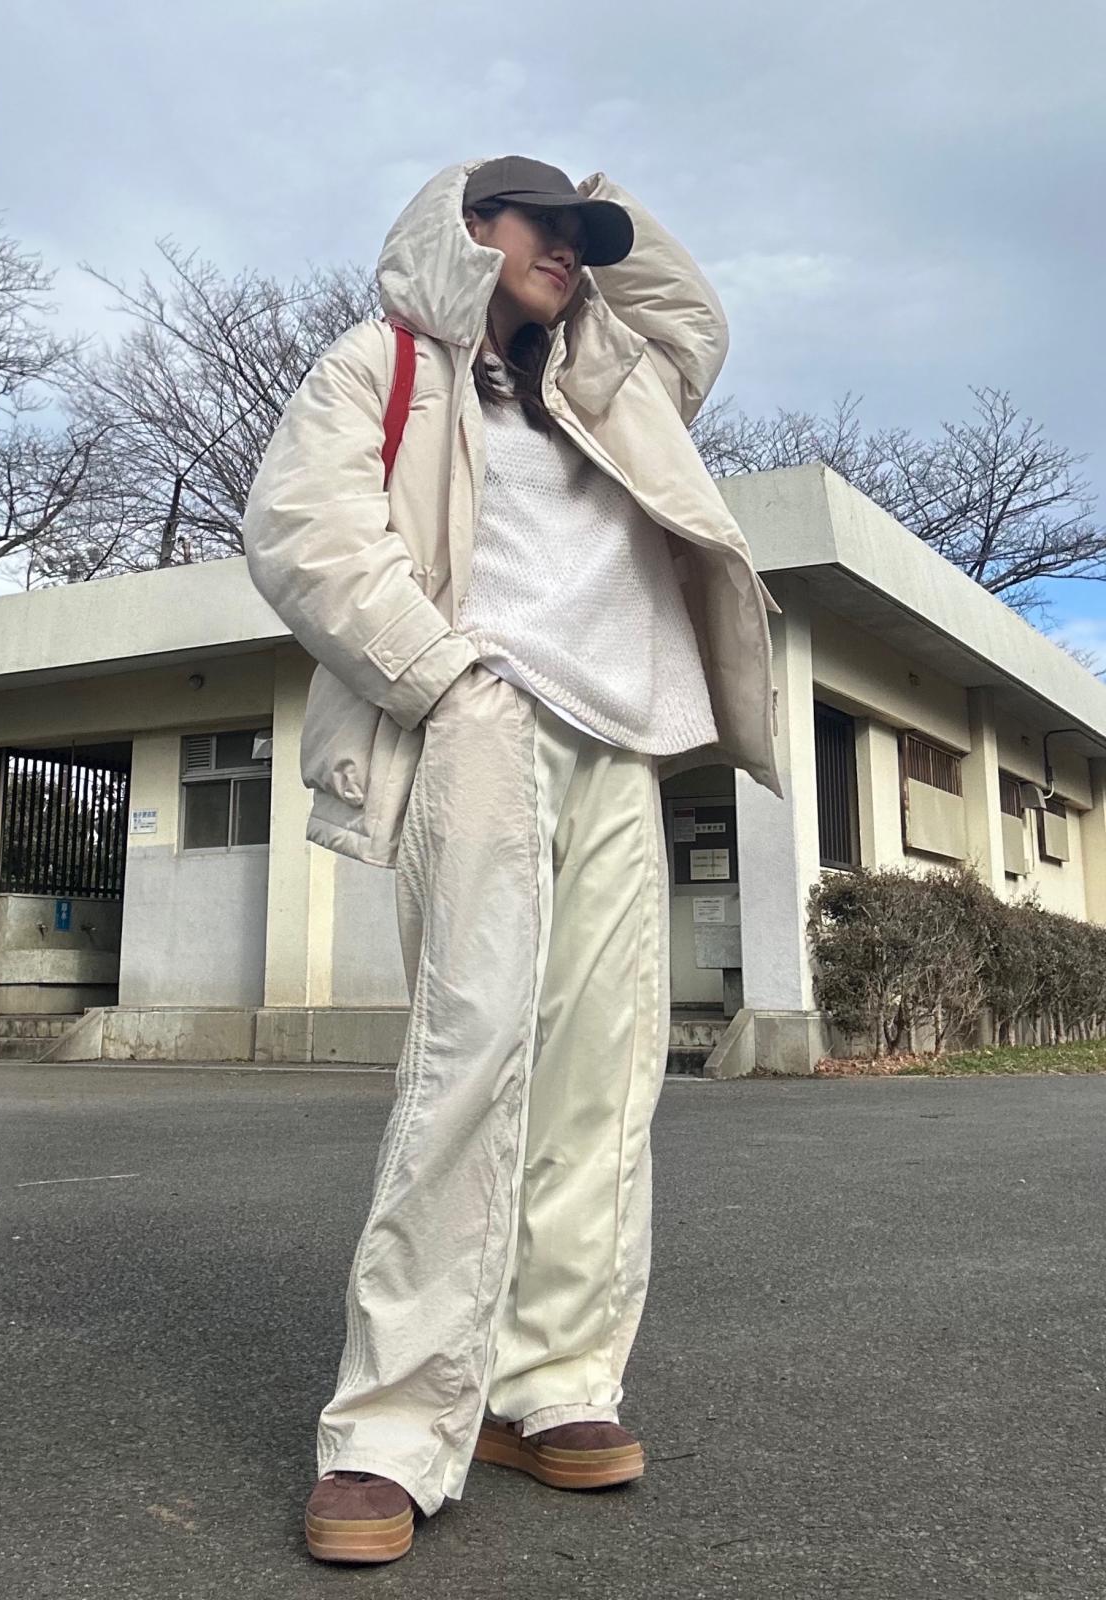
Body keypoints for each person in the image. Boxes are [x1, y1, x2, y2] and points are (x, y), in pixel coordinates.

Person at [242, 155, 782, 1565]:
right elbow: (300, 531)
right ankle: (389, 1430)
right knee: (470, 1056)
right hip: (480, 722)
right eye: (543, 225)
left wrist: (602, 206)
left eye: (582, 238)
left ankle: (551, 1386)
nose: (570, 252)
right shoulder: (380, 367)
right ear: (467, 228)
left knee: (606, 1072)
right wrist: (442, 676)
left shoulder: (609, 377)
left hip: (623, 738)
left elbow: (697, 320)